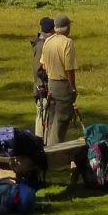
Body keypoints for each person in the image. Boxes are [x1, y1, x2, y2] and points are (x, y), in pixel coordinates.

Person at [39, 14, 79, 145]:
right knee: (61, 119)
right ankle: (55, 150)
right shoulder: (67, 43)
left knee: (51, 118)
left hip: (51, 82)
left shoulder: (48, 41)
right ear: (66, 28)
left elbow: (43, 65)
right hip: (62, 84)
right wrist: (72, 87)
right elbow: (69, 68)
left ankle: (46, 146)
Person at [30, 16, 54, 138]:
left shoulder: (43, 44)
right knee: (41, 116)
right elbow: (38, 69)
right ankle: (40, 142)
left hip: (44, 87)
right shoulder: (41, 46)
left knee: (46, 116)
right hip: (42, 88)